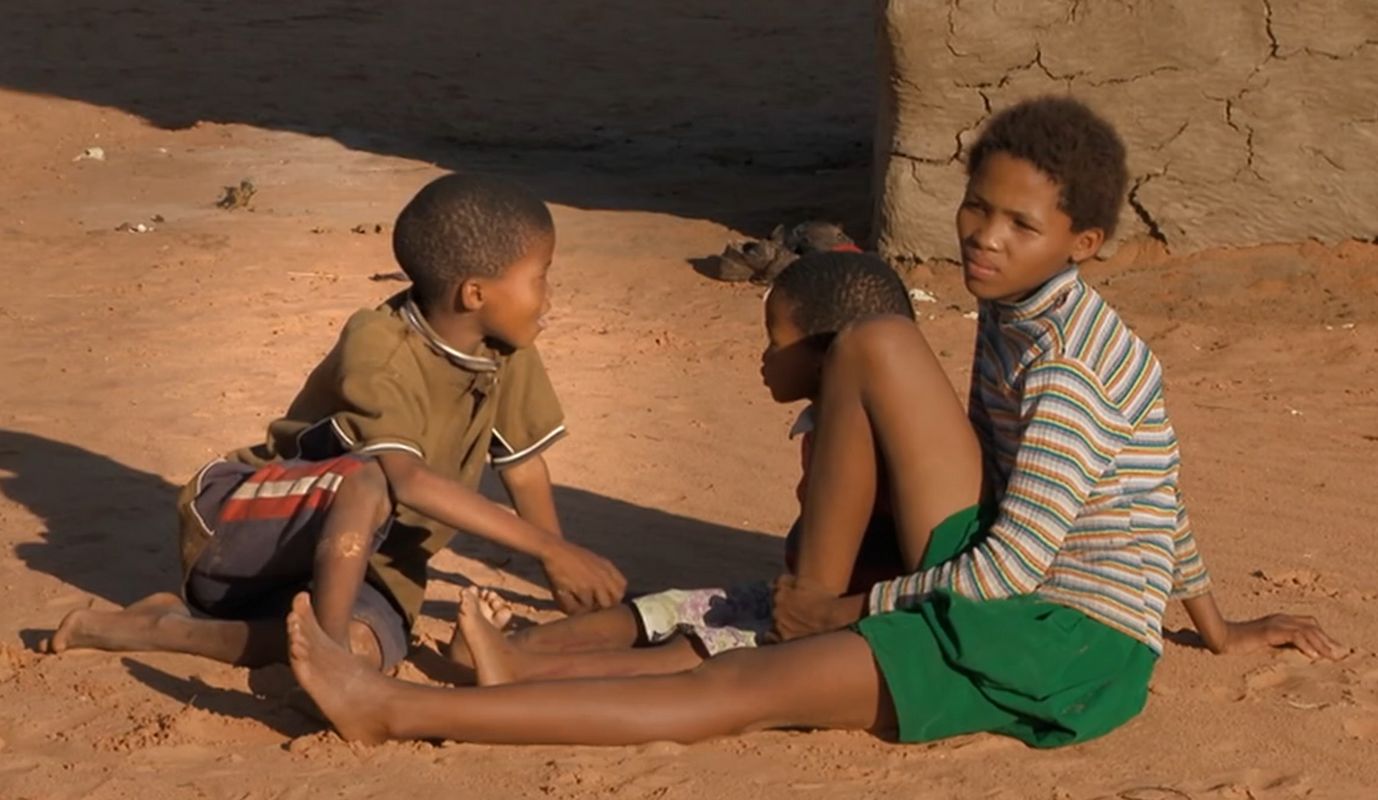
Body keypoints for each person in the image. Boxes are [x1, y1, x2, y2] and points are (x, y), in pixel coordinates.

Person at [284, 97, 1345, 747]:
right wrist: (1216, 622)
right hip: (999, 585)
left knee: (741, 684)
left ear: (1087, 240)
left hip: (1052, 639)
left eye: (1021, 224)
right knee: (874, 343)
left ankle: (398, 712)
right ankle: (529, 672)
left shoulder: (1066, 366)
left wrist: (845, 609)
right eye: (978, 204)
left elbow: (1014, 564)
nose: (983, 235)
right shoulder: (1028, 318)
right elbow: (1156, 478)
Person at [45, 173, 626, 672]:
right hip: (241, 533)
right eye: (541, 276)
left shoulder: (506, 351)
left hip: (359, 564)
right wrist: (550, 550)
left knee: (363, 646)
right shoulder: (379, 345)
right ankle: (328, 665)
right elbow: (407, 480)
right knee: (368, 478)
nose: (549, 296)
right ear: (475, 292)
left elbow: (523, 468)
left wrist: (563, 572)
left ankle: (163, 629)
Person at [446, 250, 982, 685]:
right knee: (672, 607)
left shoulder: (878, 442)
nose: (763, 357)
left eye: (775, 343)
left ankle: (523, 670)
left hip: (850, 619)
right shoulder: (825, 426)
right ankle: (518, 642)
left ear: (828, 357)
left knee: (701, 650)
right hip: (801, 598)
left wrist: (815, 607)